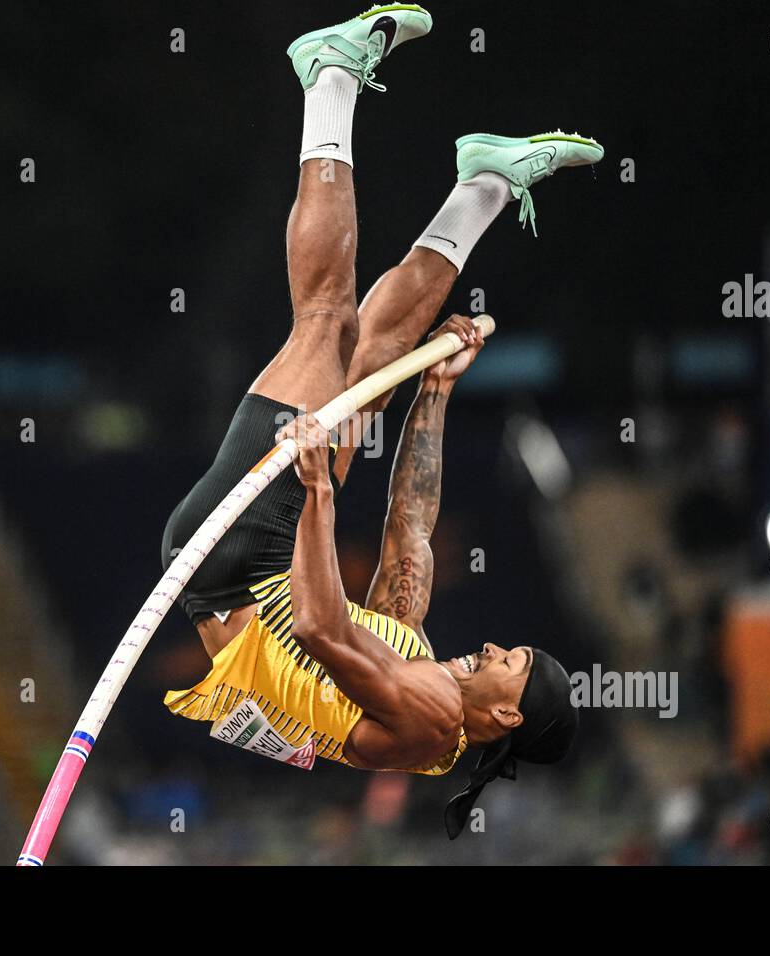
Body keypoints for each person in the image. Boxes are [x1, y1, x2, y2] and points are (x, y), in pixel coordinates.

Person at [160, 4, 599, 837]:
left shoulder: (433, 715)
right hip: (256, 557)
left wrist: (320, 488)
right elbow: (410, 531)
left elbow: (323, 629)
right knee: (376, 361)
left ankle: (328, 77)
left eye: (513, 666)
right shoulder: (425, 684)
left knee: (324, 319)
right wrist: (434, 393)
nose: (499, 650)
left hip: (239, 564)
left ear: (504, 719)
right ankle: (486, 185)